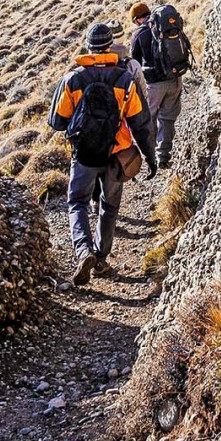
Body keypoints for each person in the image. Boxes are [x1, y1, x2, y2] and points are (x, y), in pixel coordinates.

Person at [49, 21, 156, 286]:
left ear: (88, 46)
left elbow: (57, 121)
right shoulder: (124, 78)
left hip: (84, 154)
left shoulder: (73, 79)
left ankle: (83, 250)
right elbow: (140, 122)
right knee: (109, 207)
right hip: (116, 153)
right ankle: (100, 259)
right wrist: (150, 155)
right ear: (110, 46)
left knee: (78, 203)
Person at [130, 1, 192, 170]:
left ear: (136, 20)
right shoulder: (164, 25)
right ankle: (163, 155)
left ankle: (151, 155)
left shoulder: (138, 34)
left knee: (149, 118)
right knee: (168, 118)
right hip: (175, 78)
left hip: (153, 84)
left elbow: (133, 61)